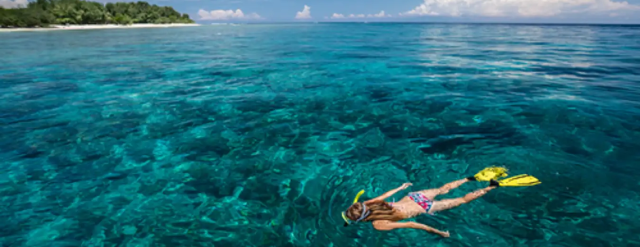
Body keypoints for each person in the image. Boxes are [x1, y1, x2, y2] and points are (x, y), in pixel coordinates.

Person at [341, 167, 540, 238]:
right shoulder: (371, 203)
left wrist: (438, 232)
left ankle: (492, 186)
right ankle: (471, 178)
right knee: (444, 188)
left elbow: (412, 223)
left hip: (425, 208)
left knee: (462, 199)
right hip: (415, 196)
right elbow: (385, 195)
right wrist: (402, 188)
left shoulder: (378, 224)